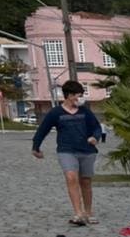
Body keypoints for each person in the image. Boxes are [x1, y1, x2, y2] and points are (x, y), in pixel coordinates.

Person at [31, 79, 103, 225]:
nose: (80, 98)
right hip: (66, 150)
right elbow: (42, 130)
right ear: (69, 95)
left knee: (86, 182)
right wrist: (36, 147)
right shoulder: (55, 113)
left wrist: (95, 137)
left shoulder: (85, 111)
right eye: (78, 95)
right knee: (71, 178)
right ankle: (78, 213)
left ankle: (88, 212)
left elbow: (96, 127)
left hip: (87, 151)